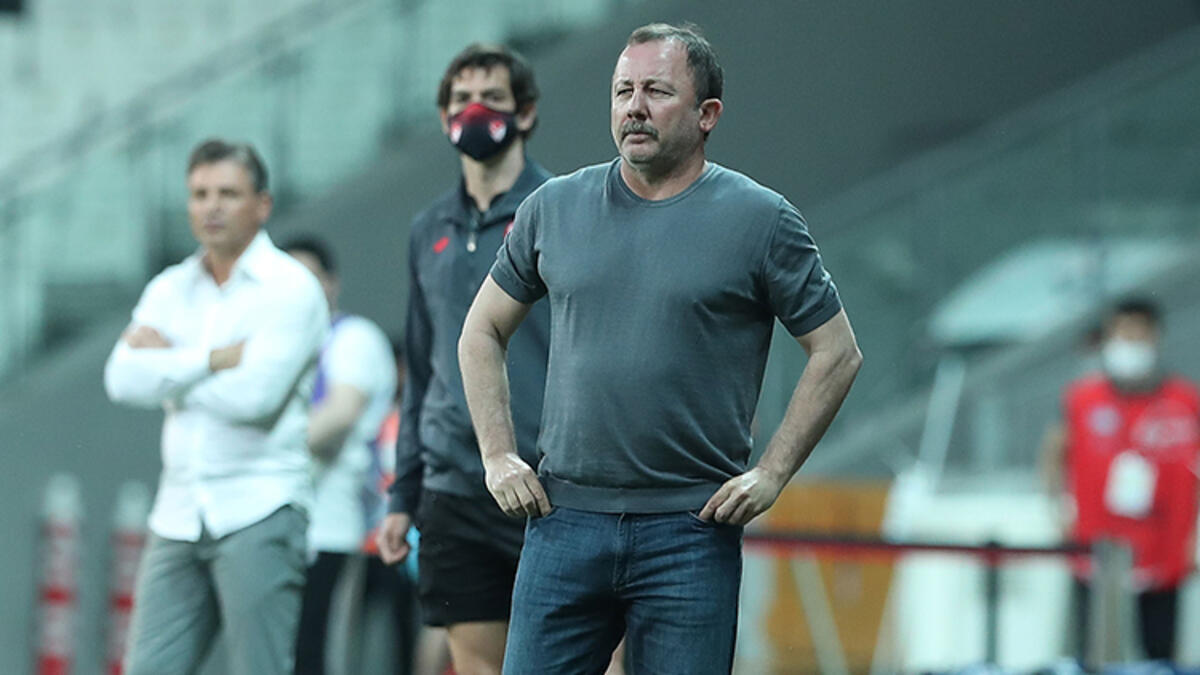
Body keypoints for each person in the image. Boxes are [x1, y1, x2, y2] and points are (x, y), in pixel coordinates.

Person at [457, 22, 863, 674]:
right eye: (623, 91)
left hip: (690, 531)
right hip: (564, 520)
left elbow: (837, 351)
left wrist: (772, 473)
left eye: (657, 91)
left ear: (708, 115)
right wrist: (498, 455)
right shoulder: (553, 207)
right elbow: (481, 331)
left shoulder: (761, 220)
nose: (635, 107)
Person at [104, 139, 328, 675]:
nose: (212, 206)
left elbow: (256, 398)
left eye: (228, 193)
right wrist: (212, 359)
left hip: (261, 506)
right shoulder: (171, 287)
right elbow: (120, 379)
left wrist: (168, 367)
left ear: (262, 204)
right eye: (200, 194)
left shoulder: (291, 289)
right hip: (178, 512)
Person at [373, 43, 553, 675]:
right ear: (443, 116)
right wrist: (403, 496)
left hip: (553, 483)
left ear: (525, 113)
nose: (475, 111)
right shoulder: (429, 228)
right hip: (455, 485)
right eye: (461, 100)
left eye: (493, 99)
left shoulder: (561, 210)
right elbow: (421, 371)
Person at [1045, 297, 1200, 662]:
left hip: (1164, 546)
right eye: (1122, 335)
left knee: (1159, 655)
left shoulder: (1186, 402)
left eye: (1138, 335)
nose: (1130, 345)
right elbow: (1054, 453)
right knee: (1092, 653)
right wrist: (1058, 508)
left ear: (1155, 337)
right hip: (1096, 545)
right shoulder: (1082, 399)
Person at [284, 237, 410, 674]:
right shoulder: (276, 345)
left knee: (322, 653)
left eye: (309, 278)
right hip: (283, 524)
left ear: (331, 283)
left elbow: (339, 415)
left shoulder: (352, 338)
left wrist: (260, 448)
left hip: (335, 525)